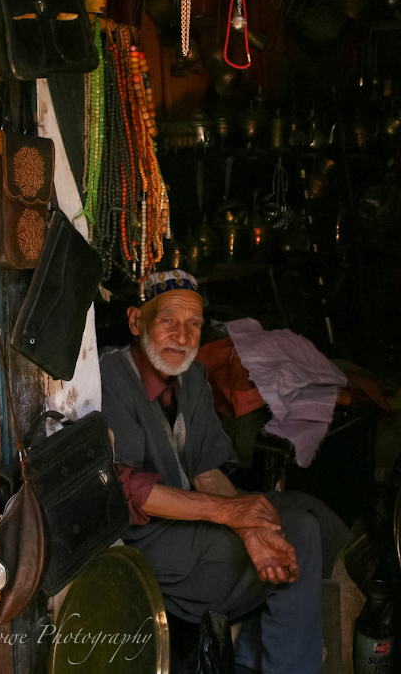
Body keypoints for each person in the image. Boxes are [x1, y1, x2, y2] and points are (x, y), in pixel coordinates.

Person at [99, 270, 352, 674]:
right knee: (297, 538)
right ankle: (275, 663)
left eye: (194, 324)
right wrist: (233, 515)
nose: (182, 337)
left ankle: (257, 658)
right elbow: (127, 489)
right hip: (142, 541)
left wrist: (251, 526)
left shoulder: (193, 378)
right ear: (135, 321)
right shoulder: (111, 378)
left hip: (195, 521)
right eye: (168, 321)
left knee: (304, 517)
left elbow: (208, 472)